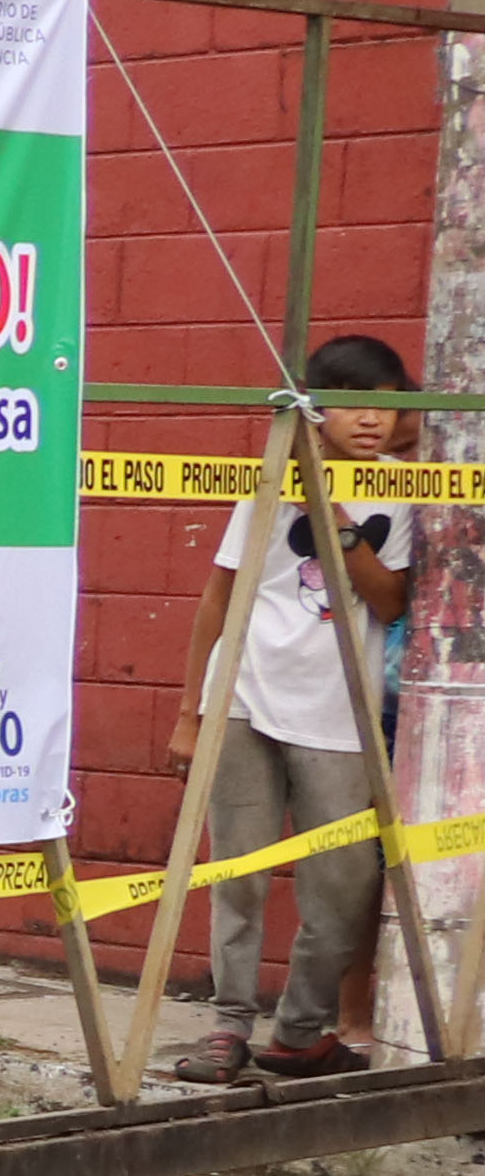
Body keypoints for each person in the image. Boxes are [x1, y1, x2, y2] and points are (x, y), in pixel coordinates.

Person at [165, 337, 417, 1085]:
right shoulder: (263, 486)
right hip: (245, 696)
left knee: (343, 881)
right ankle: (227, 1028)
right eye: (349, 403)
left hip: (341, 713)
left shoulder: (404, 490)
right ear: (315, 408)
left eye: (383, 403)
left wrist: (336, 517)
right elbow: (218, 597)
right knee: (237, 871)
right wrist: (191, 710)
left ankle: (302, 1031)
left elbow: (391, 599)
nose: (368, 420)